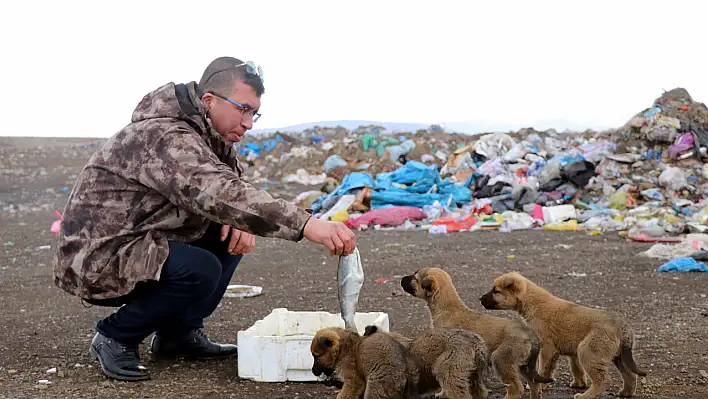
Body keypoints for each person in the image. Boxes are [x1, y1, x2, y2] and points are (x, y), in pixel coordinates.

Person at [53, 56, 356, 382]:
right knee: (200, 269)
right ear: (209, 100)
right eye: (243, 109)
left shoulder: (213, 138)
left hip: (141, 239)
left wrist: (235, 219)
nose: (249, 123)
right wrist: (307, 224)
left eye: (253, 112)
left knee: (231, 234)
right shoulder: (165, 135)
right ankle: (115, 335)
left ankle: (178, 335)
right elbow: (219, 191)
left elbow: (234, 190)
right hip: (97, 256)